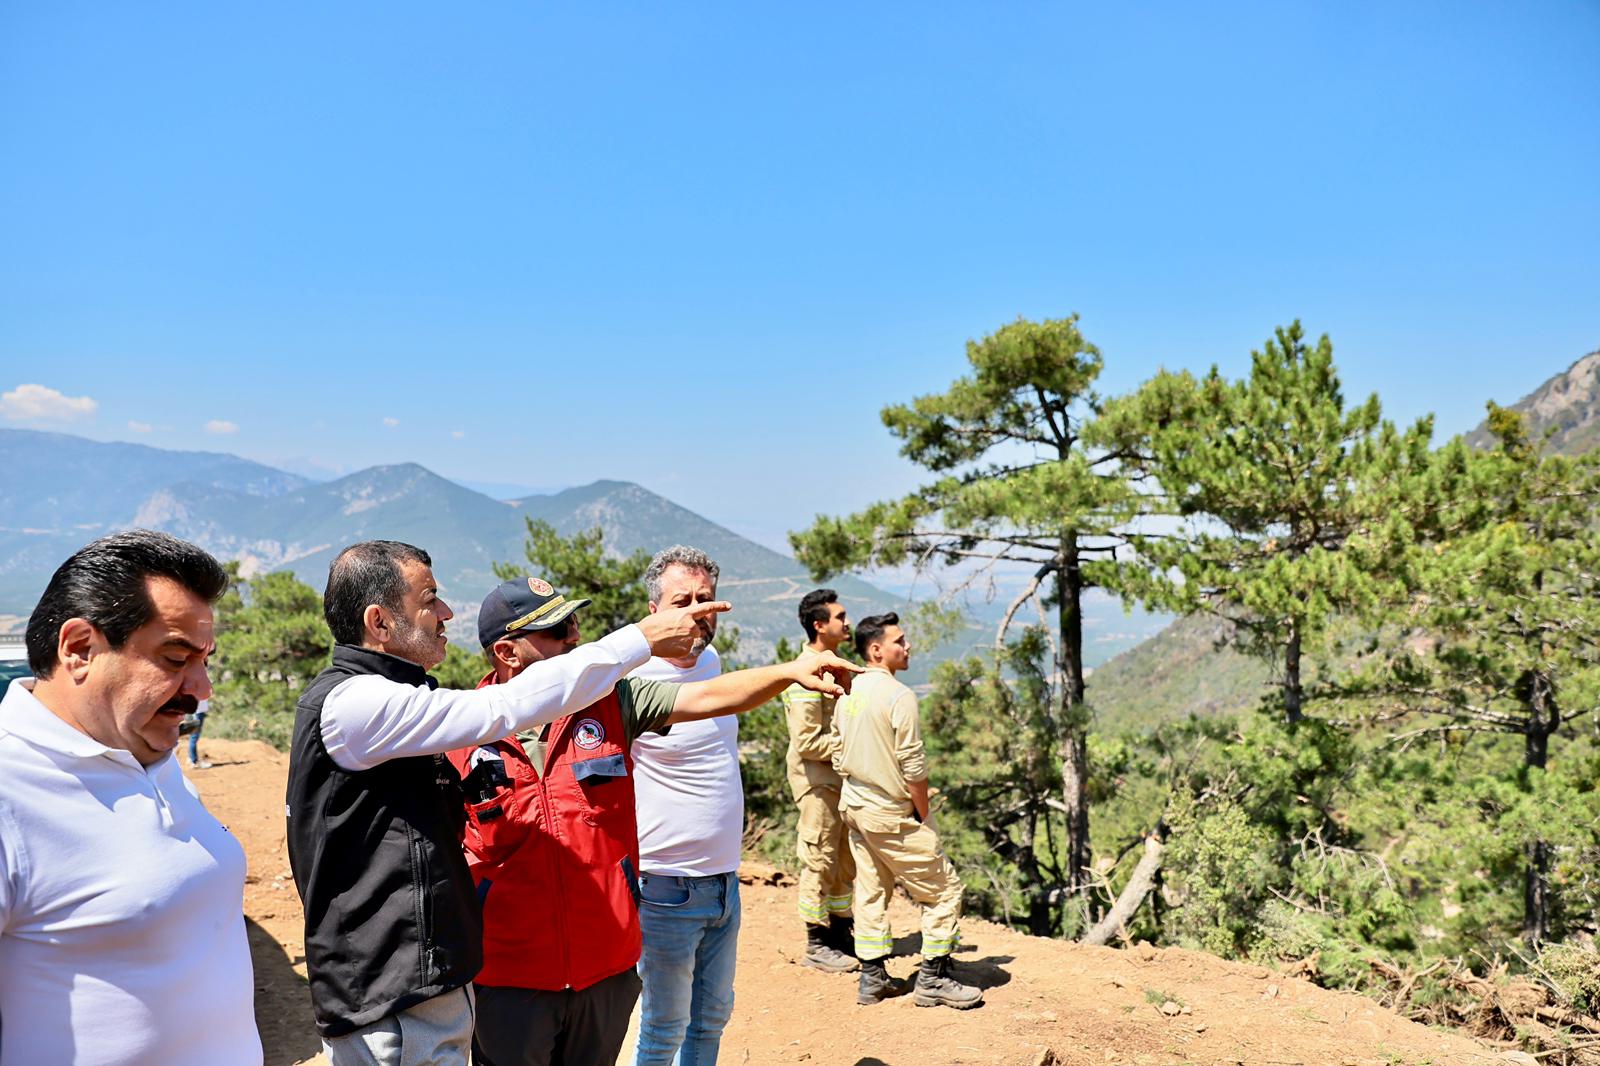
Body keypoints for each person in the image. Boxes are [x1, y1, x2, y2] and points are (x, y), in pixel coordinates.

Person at [286, 540, 728, 1065]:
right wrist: (639, 640)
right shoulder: (357, 702)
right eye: (429, 600)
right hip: (394, 997)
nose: (445, 612)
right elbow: (507, 705)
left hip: (423, 982)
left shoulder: (390, 701)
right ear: (379, 622)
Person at [450, 577, 856, 1066]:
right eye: (557, 630)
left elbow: (709, 697)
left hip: (606, 970)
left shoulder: (609, 701)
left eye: (573, 620)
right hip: (509, 979)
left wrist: (791, 671)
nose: (575, 635)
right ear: (507, 652)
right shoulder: (458, 731)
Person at [0, 530, 263, 1064]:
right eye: (174, 657)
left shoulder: (148, 756)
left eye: (205, 659)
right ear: (79, 649)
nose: (202, 687)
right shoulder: (10, 787)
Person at [834, 612, 983, 1010]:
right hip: (890, 811)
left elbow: (836, 751)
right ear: (876, 649)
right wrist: (922, 810)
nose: (908, 646)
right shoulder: (899, 697)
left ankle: (873, 978)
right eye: (900, 641)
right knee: (944, 889)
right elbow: (914, 767)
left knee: (870, 889)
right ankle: (932, 978)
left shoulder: (848, 691)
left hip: (856, 805)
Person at [628, 546, 742, 1065]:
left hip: (724, 884)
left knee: (712, 1019)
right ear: (655, 612)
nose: (699, 610)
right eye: (684, 600)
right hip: (665, 887)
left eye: (707, 599)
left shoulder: (711, 661)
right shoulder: (630, 682)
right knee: (663, 1028)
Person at [780, 588, 858, 972]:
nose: (847, 622)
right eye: (840, 616)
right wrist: (854, 746)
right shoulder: (805, 673)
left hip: (838, 781)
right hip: (818, 784)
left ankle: (843, 933)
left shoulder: (834, 665)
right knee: (820, 858)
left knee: (844, 860)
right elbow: (808, 741)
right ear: (819, 624)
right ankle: (816, 942)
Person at [184, 697, 212, 768]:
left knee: (193, 737)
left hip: (196, 711)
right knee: (194, 737)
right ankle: (194, 762)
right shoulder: (198, 687)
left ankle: (191, 758)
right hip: (197, 712)